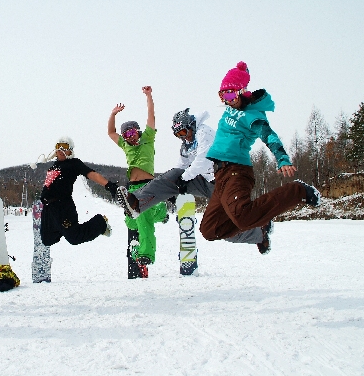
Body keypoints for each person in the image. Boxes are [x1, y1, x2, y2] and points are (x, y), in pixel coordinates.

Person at [115, 105, 269, 252]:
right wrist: (174, 190)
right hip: (207, 182)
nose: (183, 137)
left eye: (183, 133)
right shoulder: (186, 144)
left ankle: (259, 233)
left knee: (218, 229)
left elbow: (203, 160)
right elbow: (180, 167)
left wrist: (184, 178)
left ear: (191, 126)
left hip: (227, 184)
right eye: (178, 135)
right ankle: (136, 203)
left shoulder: (205, 133)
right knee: (173, 176)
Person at [199, 61, 320, 242]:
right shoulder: (232, 105)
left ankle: (298, 191)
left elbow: (269, 136)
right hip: (220, 175)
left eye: (231, 95)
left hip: (236, 171)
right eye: (222, 96)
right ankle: (261, 223)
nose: (227, 101)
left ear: (242, 92)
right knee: (210, 230)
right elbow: (241, 78)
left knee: (243, 216)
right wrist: (242, 73)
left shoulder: (253, 116)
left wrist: (282, 159)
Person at [107, 86, 167, 277]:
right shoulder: (126, 146)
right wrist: (113, 114)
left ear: (139, 132)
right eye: (126, 135)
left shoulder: (148, 139)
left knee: (142, 219)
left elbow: (151, 116)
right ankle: (161, 212)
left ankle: (146, 254)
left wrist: (149, 96)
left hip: (150, 186)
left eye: (133, 133)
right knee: (131, 221)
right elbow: (110, 132)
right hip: (133, 188)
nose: (130, 138)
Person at [37, 136, 117, 247]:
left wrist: (108, 185)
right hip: (49, 208)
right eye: (58, 146)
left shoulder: (73, 163)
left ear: (70, 150)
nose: (61, 150)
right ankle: (63, 228)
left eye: (64, 147)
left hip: (62, 206)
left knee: (74, 237)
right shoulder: (53, 166)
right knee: (47, 240)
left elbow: (91, 174)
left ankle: (100, 223)